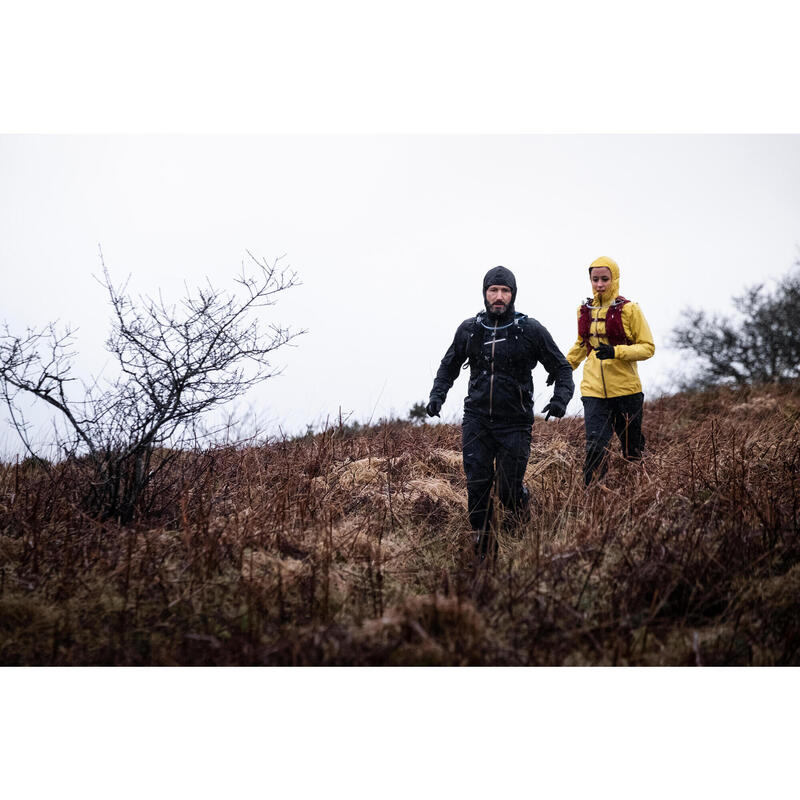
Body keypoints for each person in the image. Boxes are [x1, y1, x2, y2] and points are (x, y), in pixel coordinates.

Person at [426, 266, 574, 559]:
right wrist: (437, 395)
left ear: (513, 295)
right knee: (477, 486)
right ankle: (484, 551)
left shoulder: (529, 330)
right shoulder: (470, 329)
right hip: (477, 420)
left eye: (505, 291)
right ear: (484, 294)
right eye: (493, 290)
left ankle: (520, 512)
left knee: (508, 489)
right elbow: (449, 366)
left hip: (515, 423)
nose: (498, 296)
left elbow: (561, 367)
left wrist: (560, 399)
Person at [565, 256, 655, 485]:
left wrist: (616, 352)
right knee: (595, 447)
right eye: (595, 279)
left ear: (614, 279)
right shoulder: (584, 310)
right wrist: (564, 368)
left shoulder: (630, 310)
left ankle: (637, 490)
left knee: (632, 449)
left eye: (605, 279)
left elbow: (647, 347)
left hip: (626, 391)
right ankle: (593, 498)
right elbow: (581, 344)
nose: (600, 284)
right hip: (593, 391)